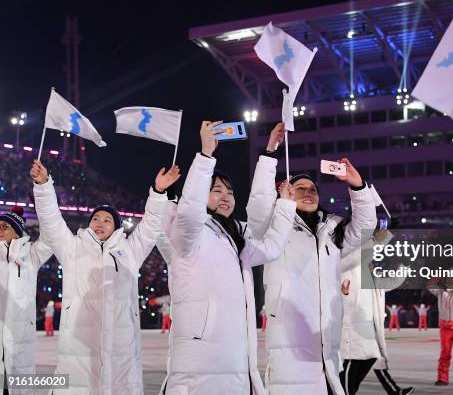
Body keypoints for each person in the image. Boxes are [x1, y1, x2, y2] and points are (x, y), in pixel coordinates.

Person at [160, 121, 297, 395]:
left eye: (230, 192)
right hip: (199, 363)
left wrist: (284, 205)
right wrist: (206, 156)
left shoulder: (236, 235)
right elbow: (189, 212)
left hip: (236, 358)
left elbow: (272, 248)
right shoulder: (188, 234)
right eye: (217, 191)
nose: (226, 197)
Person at [246, 123, 377, 394]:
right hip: (289, 343)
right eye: (300, 188)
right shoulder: (274, 224)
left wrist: (358, 186)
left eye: (313, 189)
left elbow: (366, 227)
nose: (308, 192)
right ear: (286, 192)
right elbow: (259, 203)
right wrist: (270, 152)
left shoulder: (331, 229)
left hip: (327, 346)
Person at [31, 159, 179, 394]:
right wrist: (43, 186)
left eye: (107, 220)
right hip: (78, 348)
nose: (100, 223)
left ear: (117, 228)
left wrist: (159, 192)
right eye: (96, 219)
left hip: (122, 348)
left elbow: (151, 227)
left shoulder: (130, 251)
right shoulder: (72, 248)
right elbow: (51, 221)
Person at [339, 227, 415, 395]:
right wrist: (384, 236)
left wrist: (405, 266)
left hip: (369, 328)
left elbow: (389, 282)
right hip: (351, 328)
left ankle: (392, 391)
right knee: (352, 366)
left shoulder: (370, 275)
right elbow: (359, 256)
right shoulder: (346, 263)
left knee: (369, 361)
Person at [0, 206, 53, 395]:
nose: (0, 229)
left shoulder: (31, 254)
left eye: (5, 226)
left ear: (17, 231)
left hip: (19, 339)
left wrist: (41, 199)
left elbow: (51, 236)